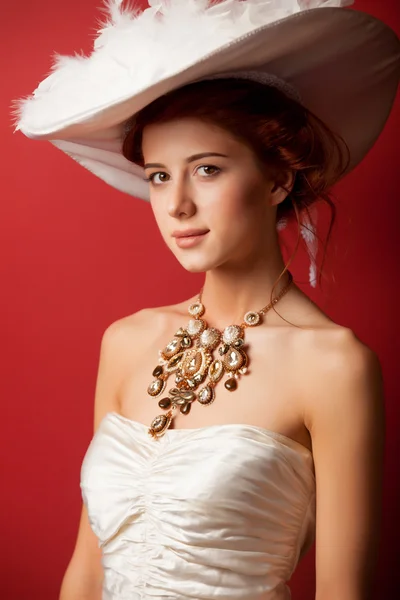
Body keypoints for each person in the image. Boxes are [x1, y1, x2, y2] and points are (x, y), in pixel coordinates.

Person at [13, 1, 399, 599]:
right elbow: (88, 566)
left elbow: (343, 593)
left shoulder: (334, 365)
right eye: (160, 175)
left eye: (208, 170)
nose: (177, 206)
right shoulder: (128, 340)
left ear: (276, 180)